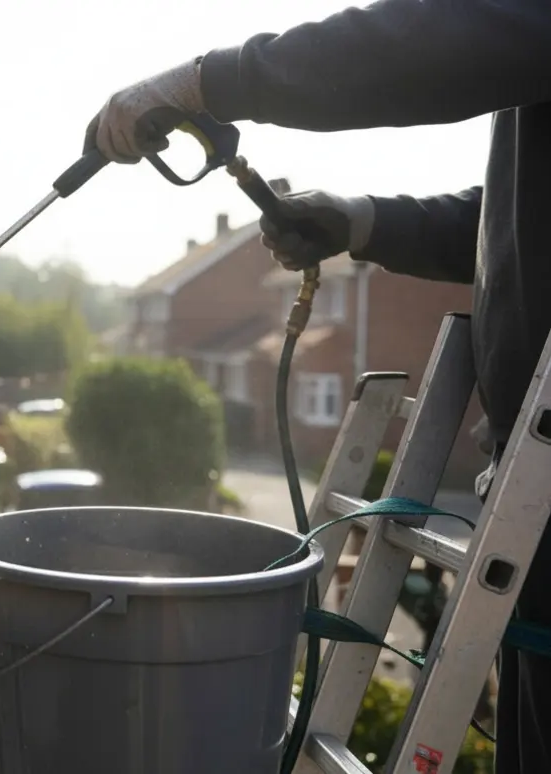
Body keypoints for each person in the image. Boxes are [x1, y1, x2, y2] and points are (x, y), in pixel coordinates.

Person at [84, 2, 551, 771]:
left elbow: (445, 43)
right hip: (532, 494)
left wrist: (210, 83)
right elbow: (512, 223)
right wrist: (363, 222)